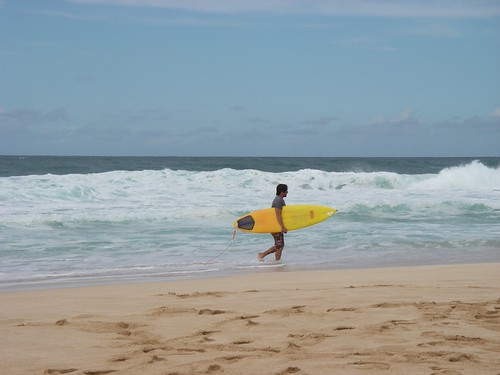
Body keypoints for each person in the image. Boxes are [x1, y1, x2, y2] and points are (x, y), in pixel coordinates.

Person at [258, 184, 288, 261]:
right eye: (286, 191)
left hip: (276, 225)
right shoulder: (278, 200)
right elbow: (278, 215)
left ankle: (276, 261)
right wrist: (282, 227)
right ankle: (262, 255)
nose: (287, 192)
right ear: (282, 191)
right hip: (275, 226)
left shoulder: (279, 199)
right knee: (279, 245)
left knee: (279, 245)